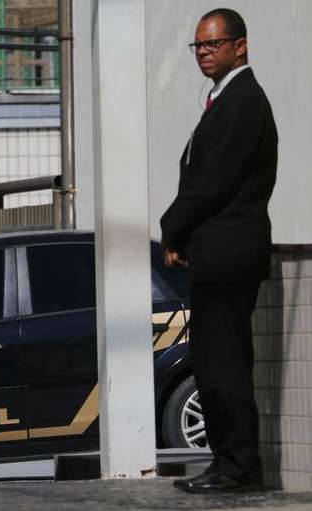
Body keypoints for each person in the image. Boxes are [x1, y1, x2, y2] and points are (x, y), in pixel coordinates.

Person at [160, 8, 277, 493]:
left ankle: (239, 468)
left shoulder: (244, 101)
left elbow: (210, 184)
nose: (204, 53)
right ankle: (225, 460)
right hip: (216, 252)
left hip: (230, 254)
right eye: (198, 46)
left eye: (213, 44)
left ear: (240, 46)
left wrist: (172, 229)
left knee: (224, 364)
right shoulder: (220, 98)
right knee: (211, 363)